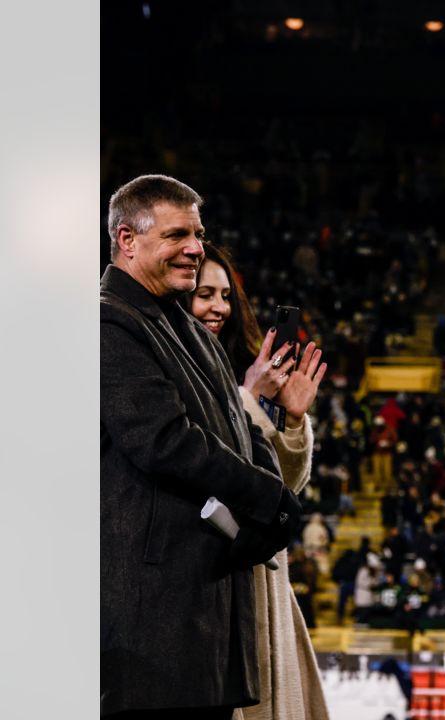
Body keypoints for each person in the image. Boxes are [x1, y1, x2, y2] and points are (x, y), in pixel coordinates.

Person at [101, 174, 302, 718]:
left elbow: (238, 427)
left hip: (206, 612)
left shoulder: (186, 327)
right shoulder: (106, 321)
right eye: (176, 235)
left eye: (198, 232)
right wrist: (267, 496)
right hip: (150, 623)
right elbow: (163, 441)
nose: (195, 247)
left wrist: (272, 491)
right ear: (127, 239)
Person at [182, 240, 332, 720]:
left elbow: (281, 484)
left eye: (226, 295)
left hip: (266, 580)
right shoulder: (173, 370)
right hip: (216, 574)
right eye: (205, 294)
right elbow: (211, 466)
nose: (218, 307)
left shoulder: (244, 367)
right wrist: (248, 399)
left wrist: (291, 420)